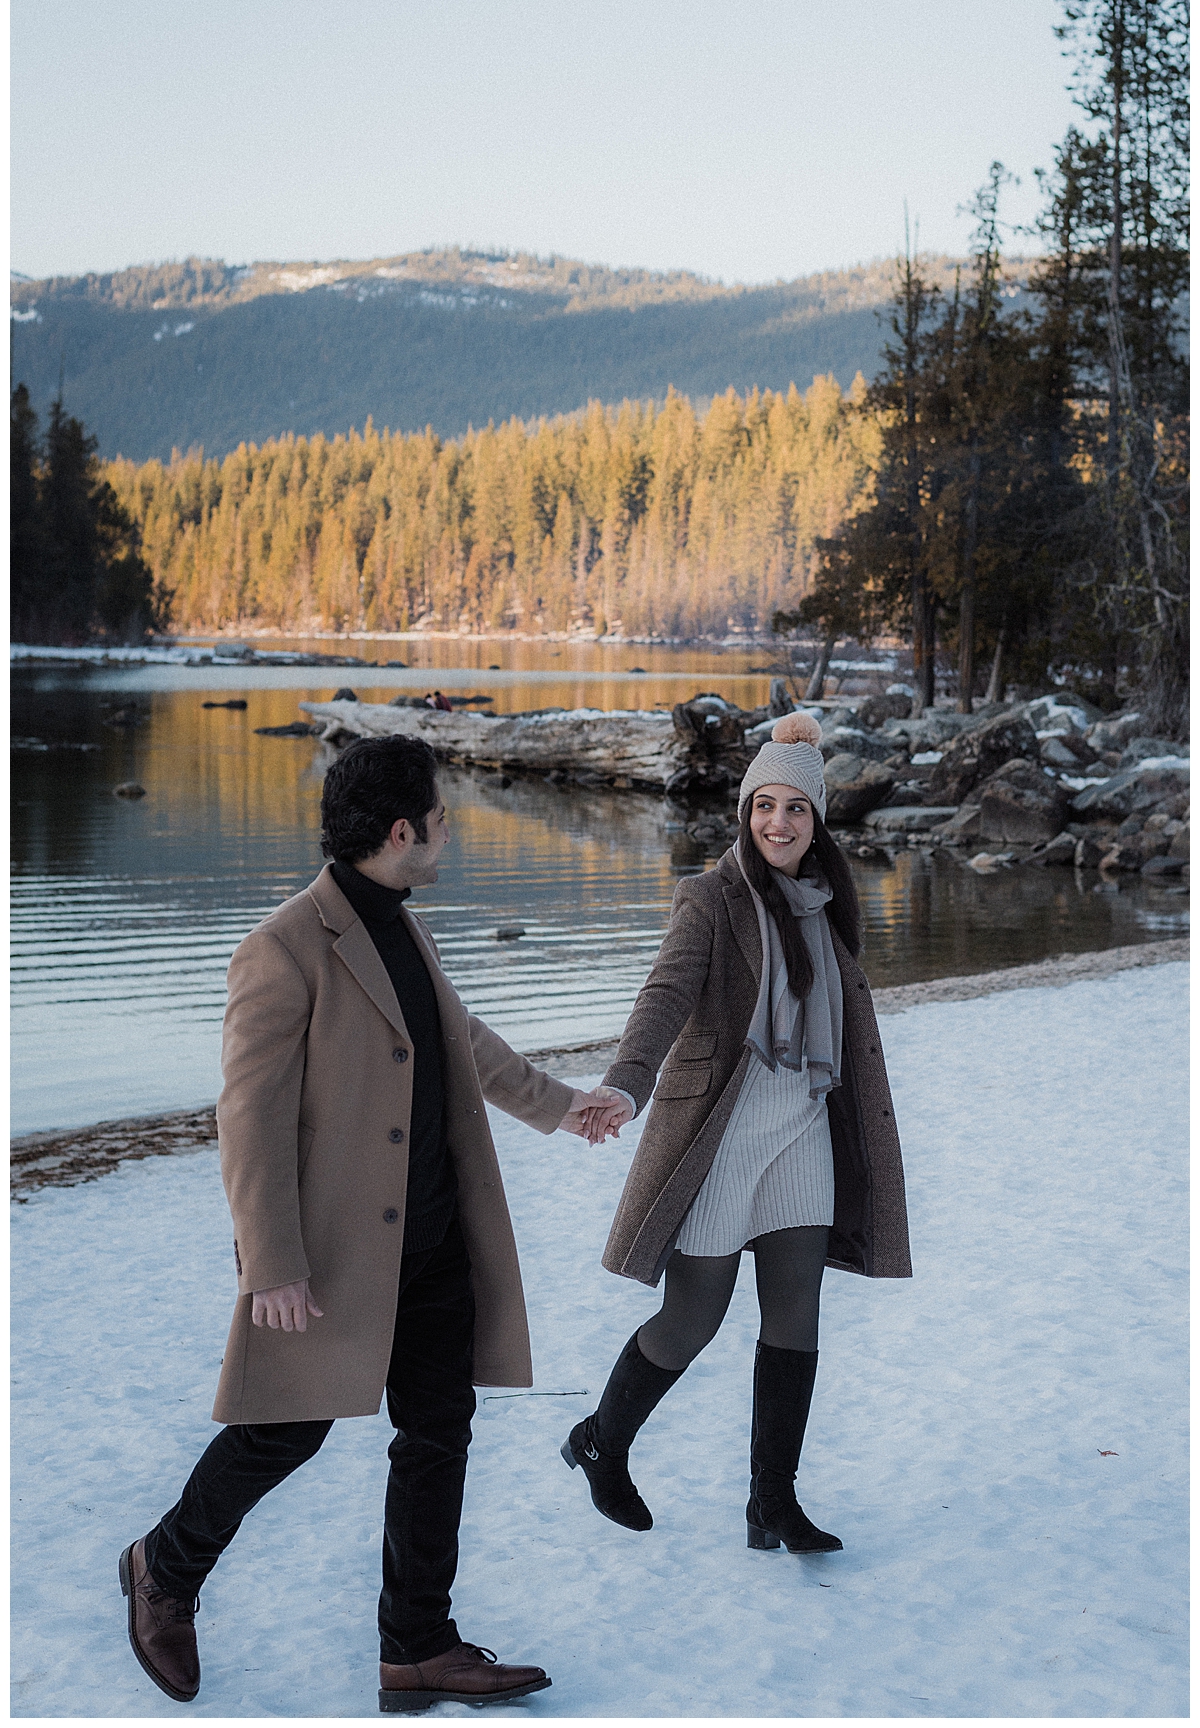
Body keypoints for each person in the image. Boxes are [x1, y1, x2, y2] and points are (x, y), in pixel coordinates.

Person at [120, 734, 617, 1712]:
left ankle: (417, 1648)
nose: (448, 834)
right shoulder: (281, 950)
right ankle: (162, 1570)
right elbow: (247, 1118)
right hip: (335, 1256)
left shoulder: (404, 923)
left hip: (432, 1245)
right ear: (402, 832)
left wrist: (561, 1105)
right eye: (441, 820)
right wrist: (271, 1263)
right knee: (283, 1434)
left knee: (438, 1431)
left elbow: (458, 1037)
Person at [564, 712, 912, 1554]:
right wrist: (625, 1081)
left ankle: (772, 1503)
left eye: (796, 808)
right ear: (745, 809)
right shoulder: (711, 898)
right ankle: (601, 1443)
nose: (779, 824)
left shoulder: (828, 898)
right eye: (765, 805)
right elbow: (665, 996)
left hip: (802, 1127)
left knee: (796, 1310)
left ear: (817, 819)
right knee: (694, 1316)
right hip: (722, 1132)